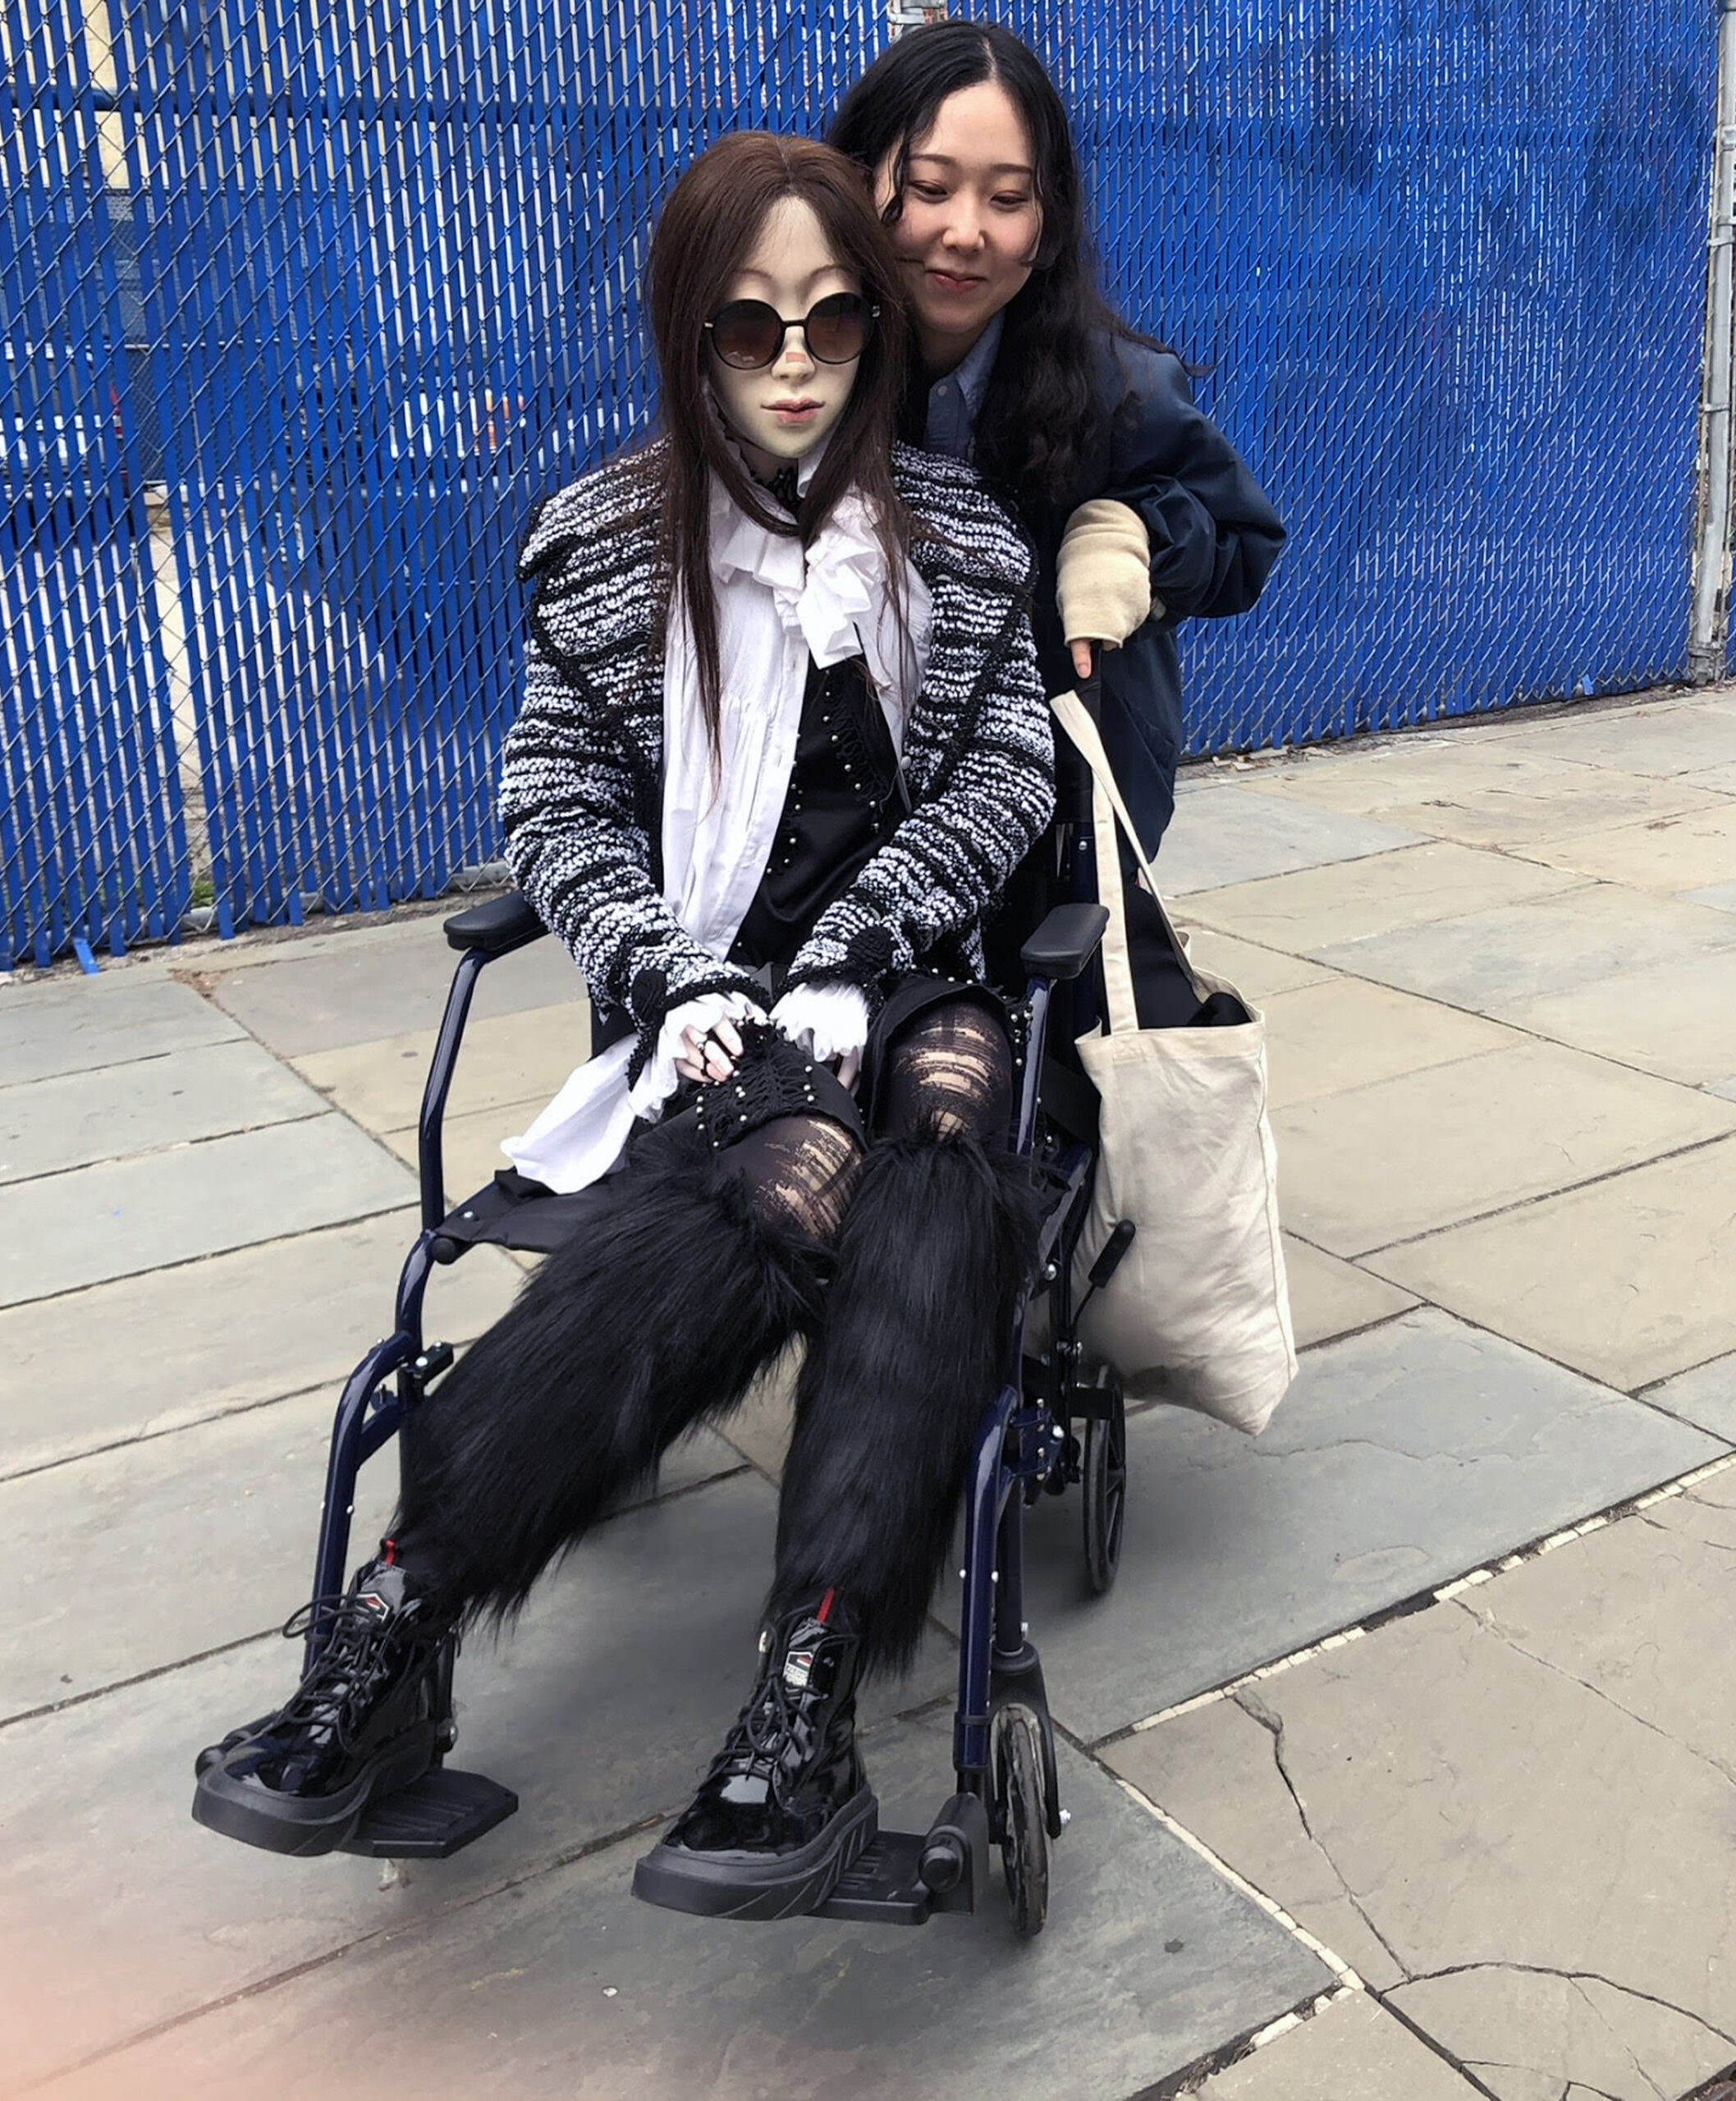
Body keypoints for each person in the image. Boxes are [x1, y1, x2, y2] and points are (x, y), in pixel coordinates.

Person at [190, 134, 1055, 1924]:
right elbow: (557, 796)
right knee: (794, 1171)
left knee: (947, 1140)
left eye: (829, 320)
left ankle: (801, 1690)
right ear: (688, 334)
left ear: (876, 330)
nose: (796, 359)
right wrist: (672, 966)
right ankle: (398, 1621)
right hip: (722, 1016)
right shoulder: (598, 541)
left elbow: (1005, 779)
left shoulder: (960, 541)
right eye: (750, 328)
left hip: (917, 983)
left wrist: (866, 937)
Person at [829, 20, 1285, 867]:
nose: (966, 231)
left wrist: (1136, 535)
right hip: (849, 826)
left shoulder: (1121, 388)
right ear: (855, 186)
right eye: (928, 188)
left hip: (1060, 819)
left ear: (1048, 221)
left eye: (1007, 199)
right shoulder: (806, 372)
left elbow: (1242, 541)